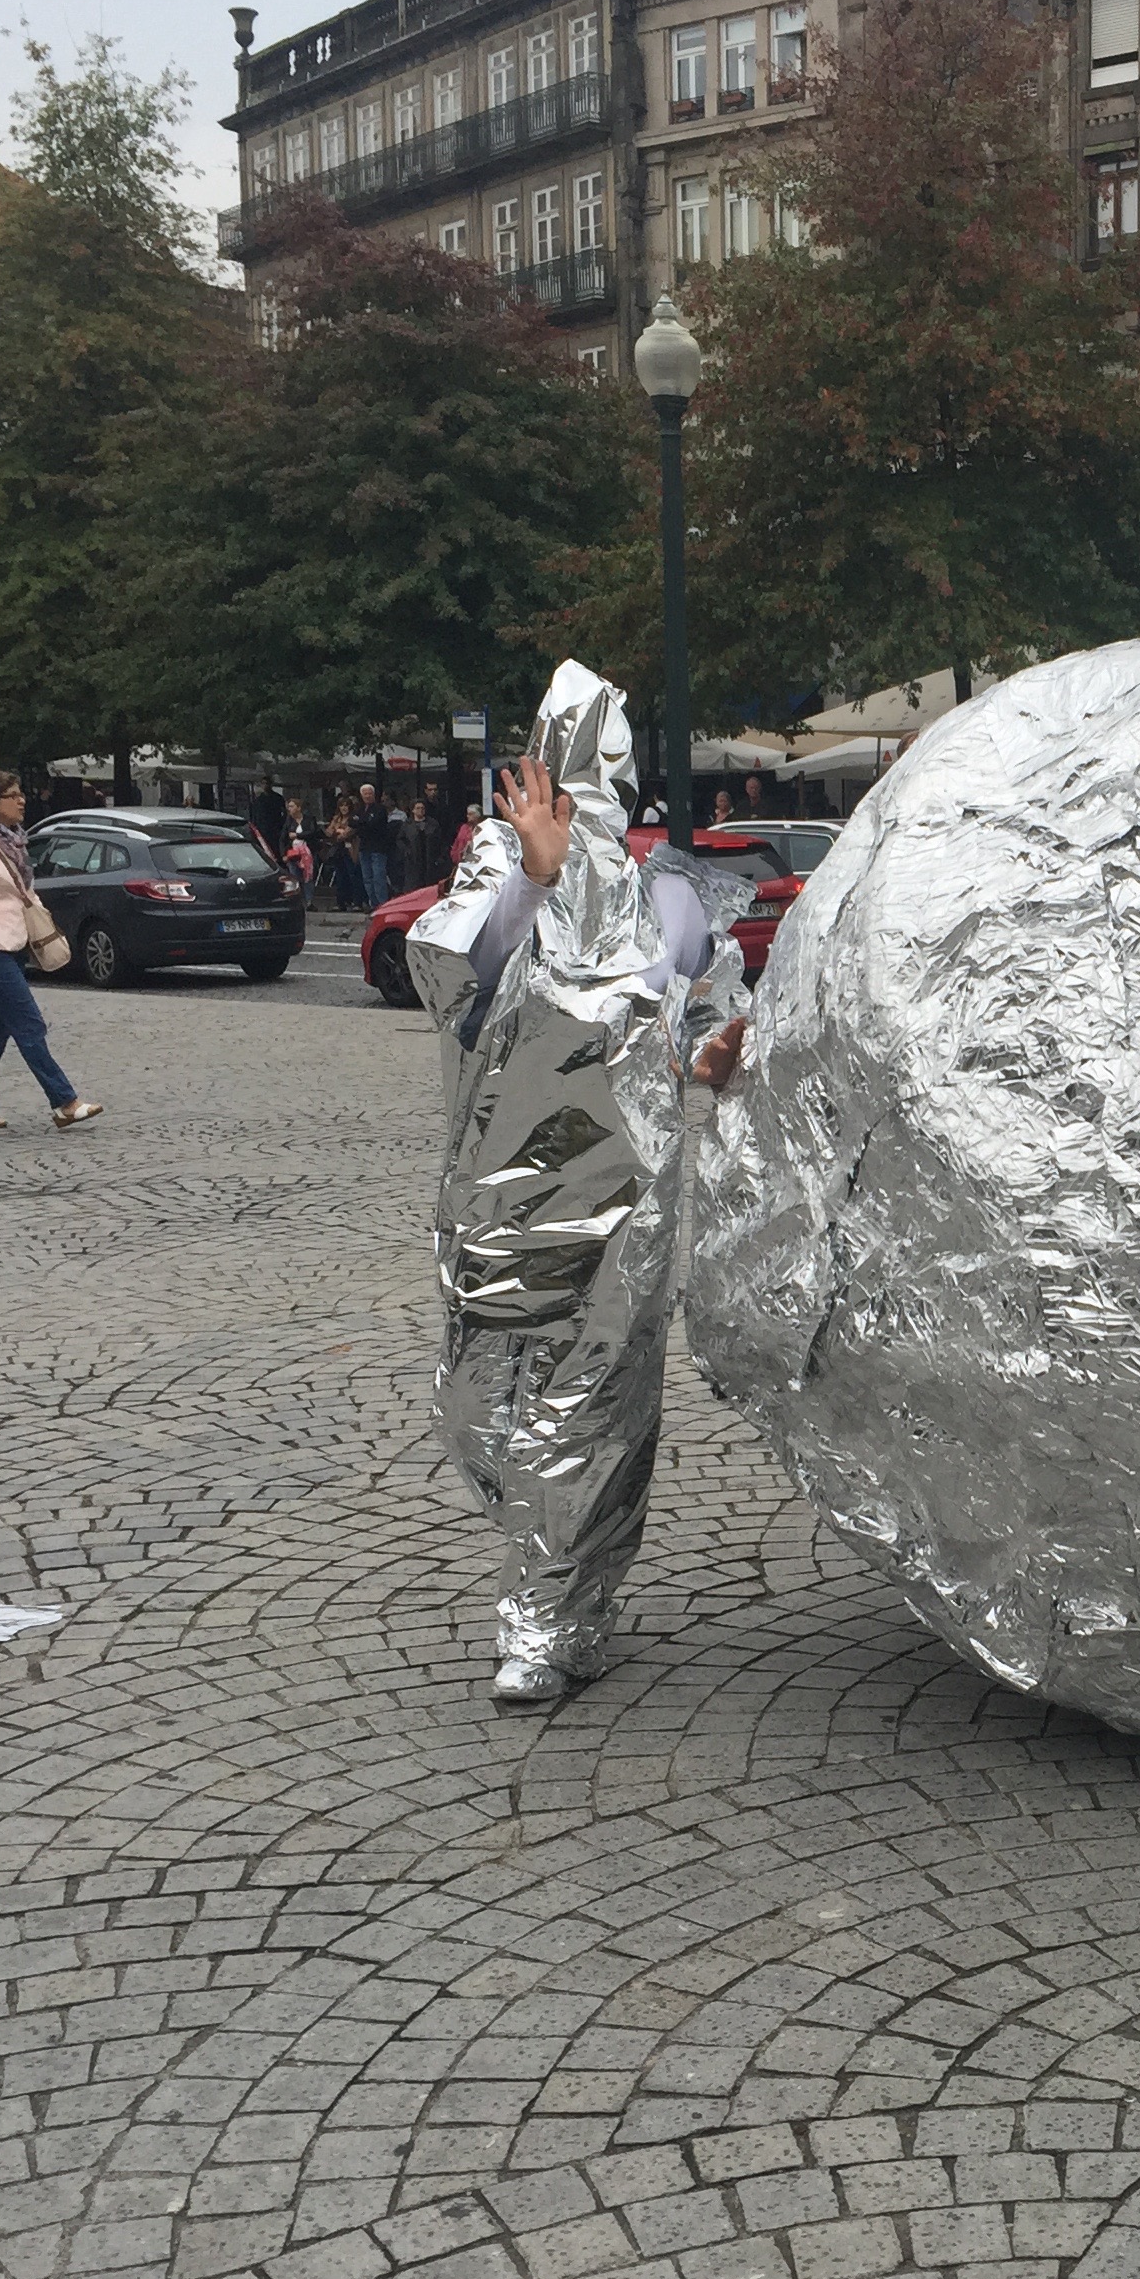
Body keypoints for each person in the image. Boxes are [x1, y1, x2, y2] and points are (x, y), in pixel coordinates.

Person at [405, 662, 754, 1706]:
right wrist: (532, 877)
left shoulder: (670, 898)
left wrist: (716, 1055)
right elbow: (446, 975)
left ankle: (545, 1621)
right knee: (475, 1416)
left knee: (590, 1412)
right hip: (498, 1197)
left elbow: (706, 1013)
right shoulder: (501, 865)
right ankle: (577, 1579)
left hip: (623, 1210)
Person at [0, 769, 103, 1133]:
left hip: (14, 942)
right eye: (12, 795)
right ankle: (64, 1102)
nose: (22, 801)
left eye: (20, 794)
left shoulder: (12, 841)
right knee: (28, 1023)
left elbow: (23, 892)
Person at [355, 782, 392, 904]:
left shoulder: (380, 809)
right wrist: (362, 823)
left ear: (374, 794)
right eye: (365, 794)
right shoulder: (359, 809)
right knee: (367, 878)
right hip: (364, 848)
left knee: (378, 877)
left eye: (370, 793)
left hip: (378, 848)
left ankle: (382, 904)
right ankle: (373, 903)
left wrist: (361, 823)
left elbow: (374, 825)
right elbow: (352, 822)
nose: (367, 796)